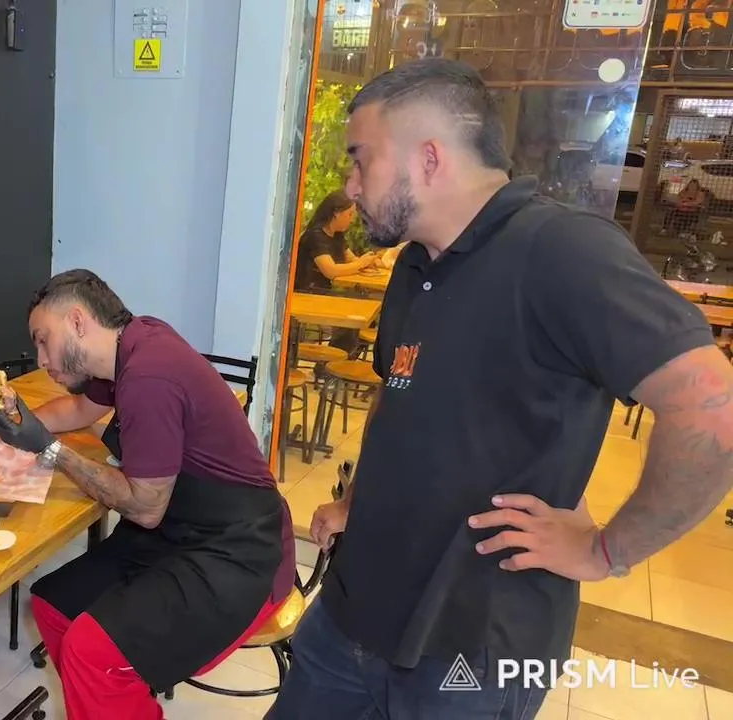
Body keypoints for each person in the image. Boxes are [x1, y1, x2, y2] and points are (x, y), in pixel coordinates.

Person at [267, 58, 733, 720]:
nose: (350, 184)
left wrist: (607, 550)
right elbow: (397, 395)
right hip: (354, 611)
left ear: (428, 158)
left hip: (474, 643)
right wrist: (356, 500)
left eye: (360, 160)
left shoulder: (562, 251)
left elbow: (712, 409)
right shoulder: (416, 265)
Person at [0, 269, 295, 720]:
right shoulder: (132, 344)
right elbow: (77, 409)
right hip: (178, 528)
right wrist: (2, 424)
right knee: (53, 607)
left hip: (239, 548)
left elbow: (146, 508)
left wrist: (48, 449)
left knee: (94, 653)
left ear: (77, 321)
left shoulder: (149, 375)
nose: (41, 358)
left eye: (43, 340)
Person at [293, 190, 379, 294]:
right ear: (336, 213)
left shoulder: (337, 235)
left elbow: (351, 260)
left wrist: (369, 261)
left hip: (322, 291)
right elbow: (331, 271)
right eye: (350, 214)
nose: (352, 220)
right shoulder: (315, 236)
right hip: (306, 293)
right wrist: (360, 263)